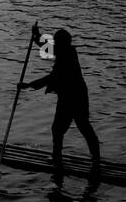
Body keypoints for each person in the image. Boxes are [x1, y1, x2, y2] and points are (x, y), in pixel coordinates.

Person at [20, 27, 100, 168]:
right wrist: (37, 36)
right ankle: (59, 157)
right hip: (69, 96)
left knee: (78, 127)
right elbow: (49, 49)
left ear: (63, 43)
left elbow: (52, 77)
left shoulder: (67, 55)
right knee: (61, 129)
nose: (55, 45)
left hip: (74, 98)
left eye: (57, 42)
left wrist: (29, 85)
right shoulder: (66, 51)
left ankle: (90, 158)